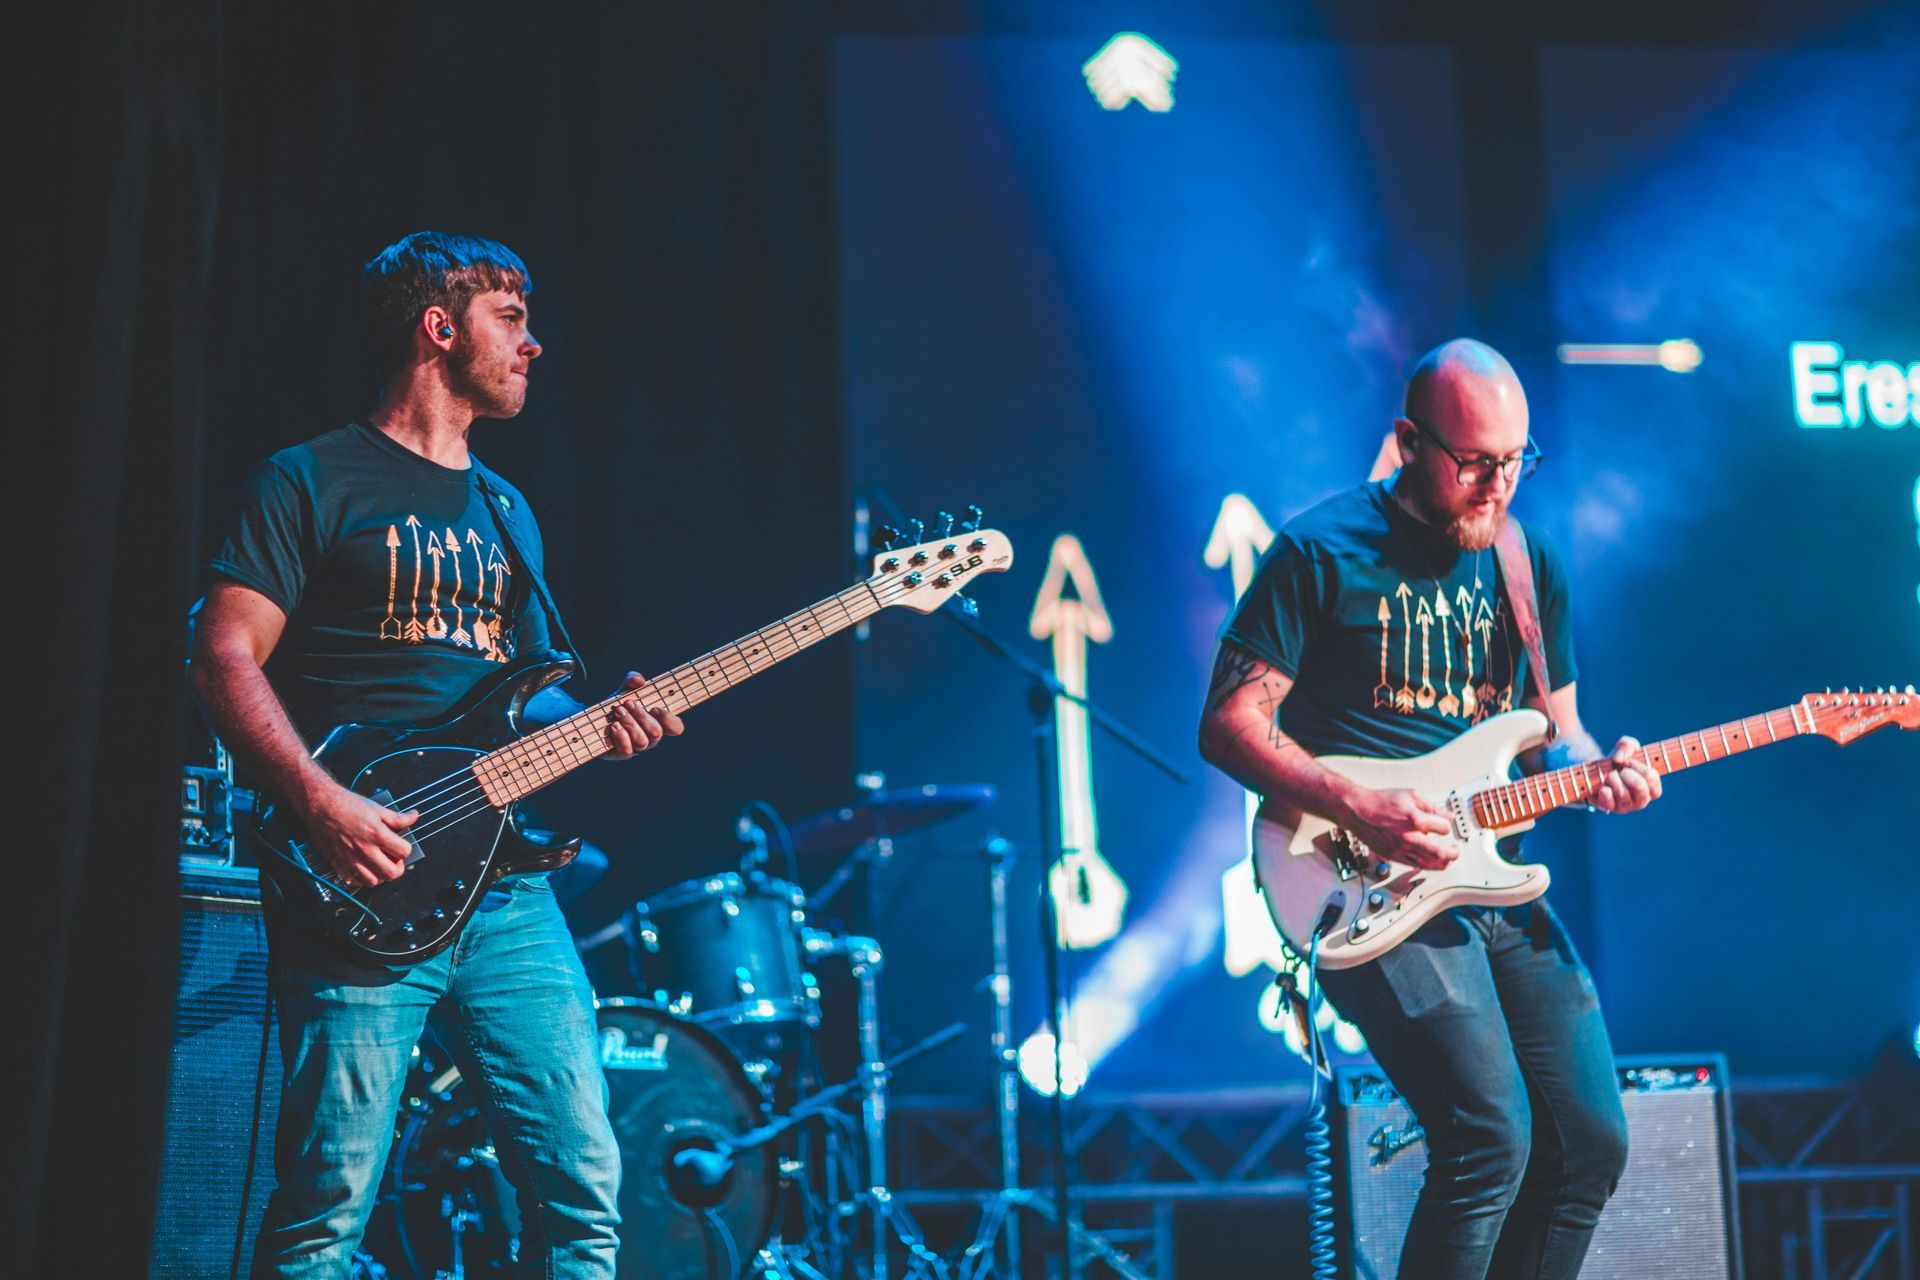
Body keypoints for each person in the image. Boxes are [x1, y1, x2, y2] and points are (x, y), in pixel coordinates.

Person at [190, 231, 683, 1277]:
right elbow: (224, 653)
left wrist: (604, 717)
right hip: (362, 874)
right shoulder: (310, 479)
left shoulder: (509, 513)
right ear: (439, 326)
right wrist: (321, 802)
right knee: (327, 1213)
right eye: (514, 317)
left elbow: (529, 691)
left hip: (504, 887)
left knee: (584, 1191)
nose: (535, 345)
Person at [1197, 339, 1661, 1280]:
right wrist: (1356, 802)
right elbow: (1228, 724)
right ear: (1409, 442)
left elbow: (1556, 733)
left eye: (1514, 462)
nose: (1496, 487)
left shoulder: (1529, 566)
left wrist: (1602, 769)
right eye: (1474, 463)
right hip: (1364, 886)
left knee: (1589, 1145)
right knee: (1490, 1139)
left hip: (1489, 880)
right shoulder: (1320, 552)